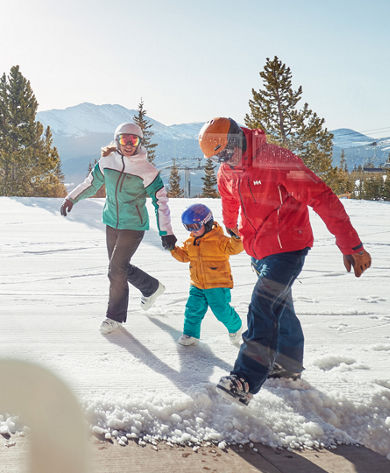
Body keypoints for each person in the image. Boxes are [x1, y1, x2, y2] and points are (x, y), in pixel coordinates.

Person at [198, 117, 372, 406]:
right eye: (217, 158)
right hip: (258, 249)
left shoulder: (277, 159)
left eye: (225, 154)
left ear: (237, 140)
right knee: (281, 306)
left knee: (263, 304)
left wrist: (351, 244)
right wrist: (231, 225)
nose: (224, 161)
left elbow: (322, 197)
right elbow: (229, 199)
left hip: (288, 247)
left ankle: (245, 378)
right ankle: (288, 366)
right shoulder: (228, 171)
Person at [60, 122, 177, 334]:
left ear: (140, 142)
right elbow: (91, 183)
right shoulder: (107, 161)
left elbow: (161, 201)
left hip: (133, 225)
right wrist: (71, 198)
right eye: (124, 139)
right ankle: (151, 287)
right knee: (119, 267)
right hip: (111, 221)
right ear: (117, 141)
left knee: (115, 270)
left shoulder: (147, 171)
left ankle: (113, 317)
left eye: (134, 140)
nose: (129, 144)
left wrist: (166, 232)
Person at [170, 203, 243, 346]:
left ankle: (236, 327)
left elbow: (234, 248)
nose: (192, 231)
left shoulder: (219, 240)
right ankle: (190, 334)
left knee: (221, 310)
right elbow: (184, 256)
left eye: (195, 227)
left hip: (217, 283)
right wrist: (172, 248)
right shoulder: (191, 242)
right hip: (197, 284)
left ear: (207, 222)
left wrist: (236, 237)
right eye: (188, 227)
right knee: (192, 309)